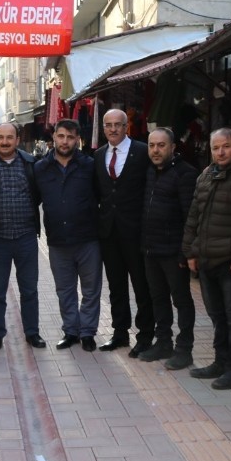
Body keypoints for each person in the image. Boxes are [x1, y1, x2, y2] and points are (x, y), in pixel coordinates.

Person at [182, 128, 231, 390]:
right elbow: (194, 216)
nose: (220, 152)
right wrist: (190, 252)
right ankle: (220, 362)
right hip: (206, 260)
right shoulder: (206, 175)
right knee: (217, 315)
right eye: (216, 148)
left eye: (226, 146)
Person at [0, 122, 45, 351]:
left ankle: (32, 333)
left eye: (9, 137)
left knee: (30, 290)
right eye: (0, 137)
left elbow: (38, 196)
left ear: (17, 139)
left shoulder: (31, 163)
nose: (5, 142)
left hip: (25, 236)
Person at [34, 119, 102, 352]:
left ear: (77, 139)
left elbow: (101, 196)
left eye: (70, 137)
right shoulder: (40, 168)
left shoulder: (89, 165)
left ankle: (88, 332)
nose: (65, 141)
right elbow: (34, 201)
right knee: (65, 289)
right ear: (54, 137)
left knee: (91, 289)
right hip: (57, 240)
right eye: (61, 136)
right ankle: (71, 331)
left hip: (88, 238)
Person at [94, 108, 155, 355]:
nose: (112, 129)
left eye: (117, 124)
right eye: (108, 125)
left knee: (142, 285)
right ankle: (120, 333)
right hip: (109, 232)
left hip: (136, 230)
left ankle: (145, 335)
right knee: (116, 286)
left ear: (126, 126)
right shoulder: (98, 155)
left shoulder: (142, 151)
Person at [140, 128, 198, 369]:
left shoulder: (186, 173)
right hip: (150, 249)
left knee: (181, 300)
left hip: (174, 251)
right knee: (158, 298)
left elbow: (190, 216)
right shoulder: (150, 172)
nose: (155, 150)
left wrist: (185, 252)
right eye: (152, 145)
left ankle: (184, 349)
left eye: (161, 145)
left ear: (173, 147)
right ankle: (163, 342)